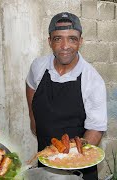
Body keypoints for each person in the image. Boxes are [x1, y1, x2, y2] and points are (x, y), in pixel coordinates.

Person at [26, 12, 107, 180]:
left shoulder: (93, 80)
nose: (65, 46)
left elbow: (96, 129)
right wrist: (32, 117)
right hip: (46, 156)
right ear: (49, 41)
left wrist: (69, 159)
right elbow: (30, 84)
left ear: (80, 42)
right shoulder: (38, 66)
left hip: (78, 165)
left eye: (72, 39)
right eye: (58, 39)